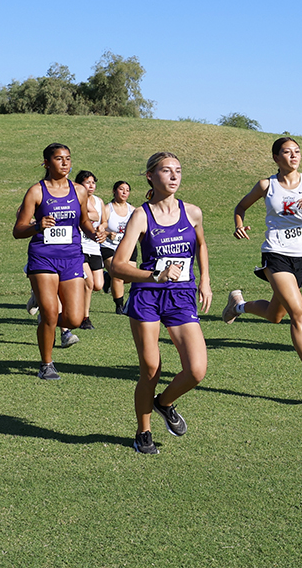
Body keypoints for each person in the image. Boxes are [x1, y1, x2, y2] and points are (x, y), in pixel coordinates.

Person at [224, 137, 302, 397]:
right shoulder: (267, 185)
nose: (294, 156)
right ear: (276, 158)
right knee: (299, 313)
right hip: (275, 253)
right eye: (287, 153)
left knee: (274, 315)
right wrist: (238, 224)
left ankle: (238, 306)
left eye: (297, 152)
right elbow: (241, 206)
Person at [111, 152, 212, 454]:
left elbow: (202, 244)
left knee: (196, 370)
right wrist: (155, 274)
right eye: (166, 171)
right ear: (150, 177)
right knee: (151, 368)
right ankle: (144, 432)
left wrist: (204, 279)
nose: (173, 176)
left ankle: (164, 403)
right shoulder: (141, 215)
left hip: (181, 296)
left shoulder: (192, 212)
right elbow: (117, 265)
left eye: (178, 171)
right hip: (148, 296)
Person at [13, 144, 97, 379]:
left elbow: (83, 221)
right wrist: (36, 226)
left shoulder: (79, 191)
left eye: (68, 159)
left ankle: (46, 323)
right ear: (47, 163)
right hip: (43, 258)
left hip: (71, 258)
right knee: (50, 313)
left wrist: (94, 233)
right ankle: (46, 364)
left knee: (75, 318)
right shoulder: (36, 192)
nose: (65, 163)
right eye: (59, 159)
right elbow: (18, 230)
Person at [75, 170, 107, 330]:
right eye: (88, 182)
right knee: (89, 283)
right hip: (79, 246)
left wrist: (103, 227)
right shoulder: (75, 199)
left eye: (93, 182)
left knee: (98, 285)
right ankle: (84, 317)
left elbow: (102, 220)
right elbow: (90, 217)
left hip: (94, 247)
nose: (91, 185)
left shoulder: (99, 201)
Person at [101, 180, 136, 314]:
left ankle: (108, 277)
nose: (124, 192)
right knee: (119, 275)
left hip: (127, 247)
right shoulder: (107, 209)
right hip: (108, 246)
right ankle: (119, 306)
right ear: (114, 191)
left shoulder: (132, 210)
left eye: (127, 190)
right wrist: (108, 233)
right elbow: (95, 229)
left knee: (131, 276)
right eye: (121, 189)